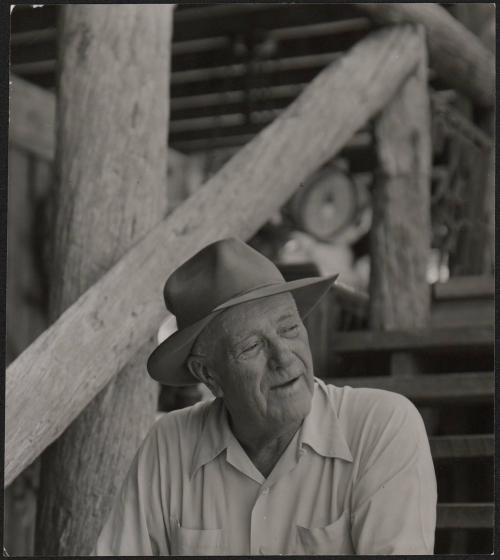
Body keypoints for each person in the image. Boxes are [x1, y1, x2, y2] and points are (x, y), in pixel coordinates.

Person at [94, 237, 437, 555]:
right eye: (252, 346)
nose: (284, 356)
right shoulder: (169, 446)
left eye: (289, 328)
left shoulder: (380, 428)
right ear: (208, 374)